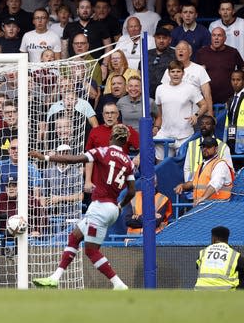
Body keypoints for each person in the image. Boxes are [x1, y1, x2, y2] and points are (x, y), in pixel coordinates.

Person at [31, 124, 135, 290]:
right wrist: (121, 205)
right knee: (75, 237)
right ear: (125, 141)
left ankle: (119, 284)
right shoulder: (128, 161)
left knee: (91, 251)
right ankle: (55, 278)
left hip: (100, 207)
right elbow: (131, 191)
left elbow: (73, 159)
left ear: (111, 138)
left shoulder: (102, 152)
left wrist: (45, 158)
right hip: (112, 208)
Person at [154, 61, 208, 160]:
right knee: (160, 167)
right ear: (168, 73)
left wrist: (196, 115)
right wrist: (157, 127)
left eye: (178, 71)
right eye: (173, 71)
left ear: (183, 73)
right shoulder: (160, 89)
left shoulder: (190, 88)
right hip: (164, 134)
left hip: (185, 136)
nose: (175, 74)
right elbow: (160, 113)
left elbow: (204, 105)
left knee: (185, 168)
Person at [174, 137, 234, 206]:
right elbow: (195, 183)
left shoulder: (220, 164)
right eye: (203, 147)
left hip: (219, 207)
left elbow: (215, 183)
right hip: (203, 207)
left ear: (216, 149)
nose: (205, 149)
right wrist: (183, 186)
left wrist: (203, 198)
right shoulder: (202, 165)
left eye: (208, 147)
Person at [195, 27, 244, 104]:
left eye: (219, 35)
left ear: (225, 38)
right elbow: (195, 75)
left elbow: (242, 70)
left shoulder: (233, 52)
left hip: (228, 99)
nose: (216, 38)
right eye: (214, 35)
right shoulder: (201, 53)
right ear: (211, 38)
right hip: (206, 100)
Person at [194, 226, 244, 290]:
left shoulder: (203, 252)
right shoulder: (234, 255)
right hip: (226, 294)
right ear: (227, 239)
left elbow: (198, 267)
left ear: (213, 238)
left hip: (200, 291)